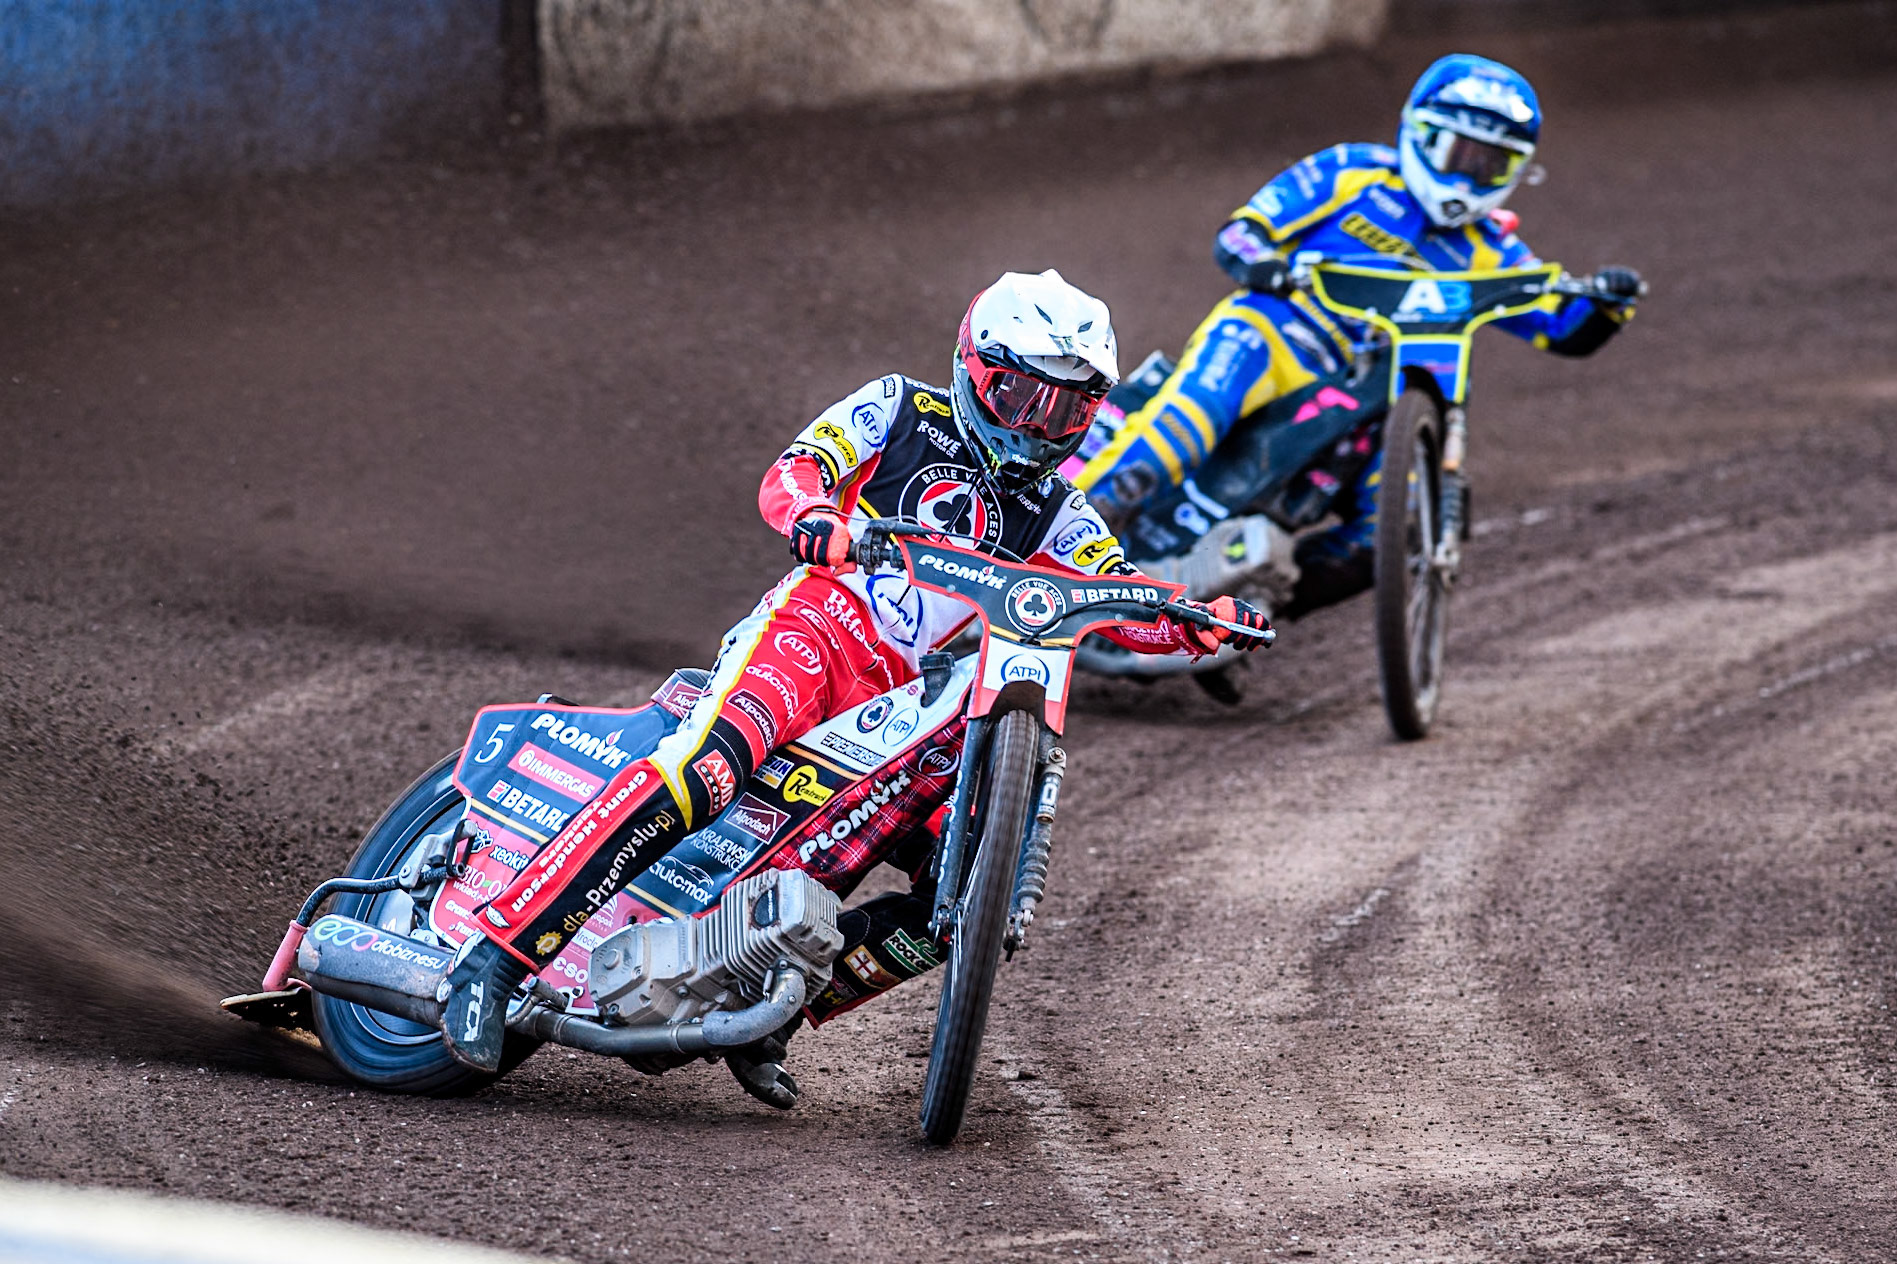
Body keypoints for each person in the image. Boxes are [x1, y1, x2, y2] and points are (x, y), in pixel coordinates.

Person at [434, 270, 1272, 1103]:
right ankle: (495, 962)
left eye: (1063, 408)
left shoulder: (1059, 509)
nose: (1036, 425)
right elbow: (795, 471)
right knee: (699, 776)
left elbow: (1120, 589)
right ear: (975, 369)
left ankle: (771, 1015)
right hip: (813, 634)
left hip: (904, 699)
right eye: (1019, 395)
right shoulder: (898, 408)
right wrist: (815, 517)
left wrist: (1197, 618)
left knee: (967, 882)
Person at [1074, 53, 1644, 620]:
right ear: (1419, 134)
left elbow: (1563, 330)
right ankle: (1063, 544)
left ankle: (1243, 617)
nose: (1468, 176)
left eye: (1490, 165)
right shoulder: (1352, 172)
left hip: (1375, 400)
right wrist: (1265, 265)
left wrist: (1609, 305)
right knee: (1184, 428)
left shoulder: (1493, 250)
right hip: (1277, 333)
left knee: (1390, 532)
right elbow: (1243, 232)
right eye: (1458, 151)